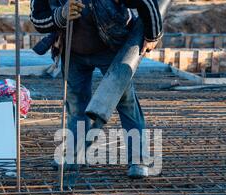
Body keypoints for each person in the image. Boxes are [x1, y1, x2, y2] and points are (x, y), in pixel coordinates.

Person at [30, 0, 163, 178]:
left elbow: (146, 2)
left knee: (126, 103)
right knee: (76, 105)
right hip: (73, 51)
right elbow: (38, 19)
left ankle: (139, 159)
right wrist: (61, 15)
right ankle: (75, 154)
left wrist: (152, 34)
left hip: (111, 46)